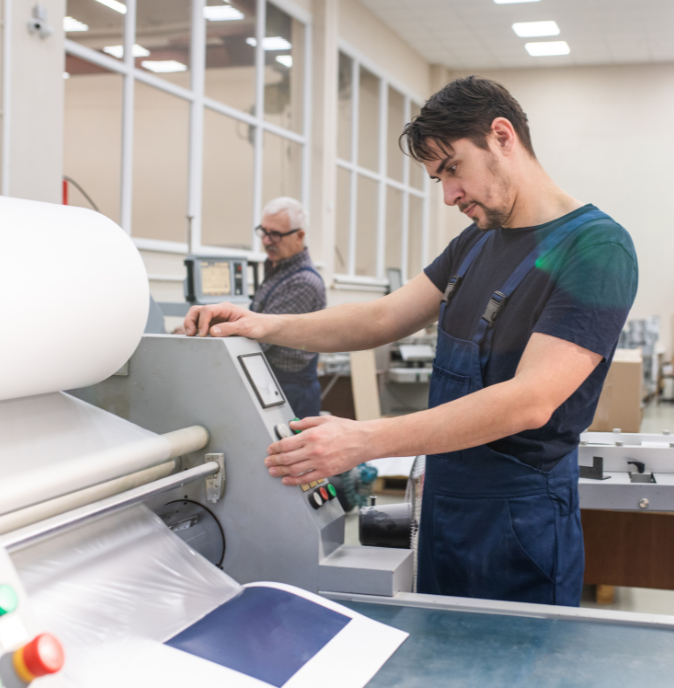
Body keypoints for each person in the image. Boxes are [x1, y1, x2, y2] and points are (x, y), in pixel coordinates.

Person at [185, 77, 638, 607]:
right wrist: (260, 323)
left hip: (519, 523)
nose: (449, 195)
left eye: (452, 169)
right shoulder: (476, 241)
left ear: (501, 136)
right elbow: (381, 317)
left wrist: (365, 439)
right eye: (436, 178)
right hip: (445, 506)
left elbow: (530, 401)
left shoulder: (596, 249)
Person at [250, 197, 326, 418]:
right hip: (274, 383)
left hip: (292, 392)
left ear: (299, 236)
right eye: (263, 231)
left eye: (275, 234)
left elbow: (261, 337)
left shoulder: (302, 282)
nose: (266, 240)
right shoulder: (277, 270)